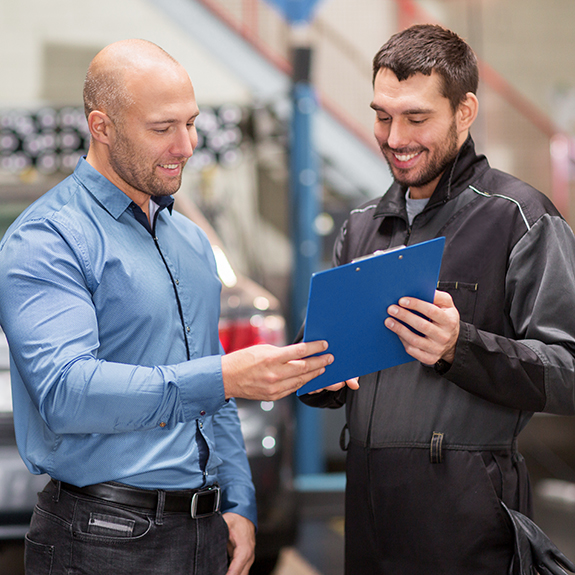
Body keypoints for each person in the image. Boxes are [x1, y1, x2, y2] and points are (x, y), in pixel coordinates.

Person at [0, 39, 333, 575]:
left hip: (202, 531)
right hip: (101, 539)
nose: (186, 146)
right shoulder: (49, 238)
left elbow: (215, 398)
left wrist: (238, 501)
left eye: (192, 123)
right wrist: (221, 376)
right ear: (102, 126)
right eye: (162, 128)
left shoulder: (191, 242)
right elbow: (66, 392)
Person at [301, 24, 575, 574]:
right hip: (368, 515)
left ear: (465, 111)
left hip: (468, 521)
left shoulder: (519, 218)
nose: (394, 136)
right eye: (382, 115)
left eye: (417, 118)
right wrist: (319, 375)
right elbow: (330, 365)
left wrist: (460, 347)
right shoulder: (359, 227)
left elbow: (569, 372)